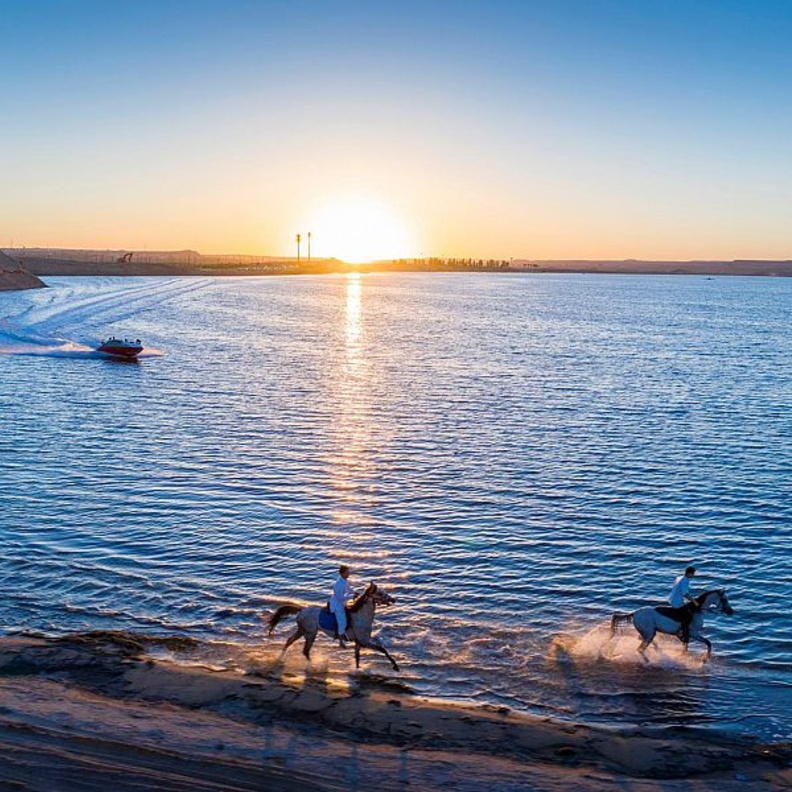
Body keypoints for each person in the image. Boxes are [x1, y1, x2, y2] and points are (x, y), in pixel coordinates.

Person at [668, 566, 696, 643]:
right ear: (690, 573)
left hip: (671, 599)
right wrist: (694, 601)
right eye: (693, 574)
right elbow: (685, 594)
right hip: (676, 602)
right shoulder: (685, 580)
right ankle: (681, 632)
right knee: (688, 616)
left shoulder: (679, 577)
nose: (694, 575)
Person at [330, 564, 355, 645]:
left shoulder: (345, 581)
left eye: (348, 572)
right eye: (347, 572)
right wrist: (352, 596)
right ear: (342, 573)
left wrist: (355, 593)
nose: (349, 574)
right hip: (337, 604)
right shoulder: (338, 584)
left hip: (343, 602)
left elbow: (349, 589)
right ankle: (340, 640)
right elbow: (340, 597)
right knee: (342, 621)